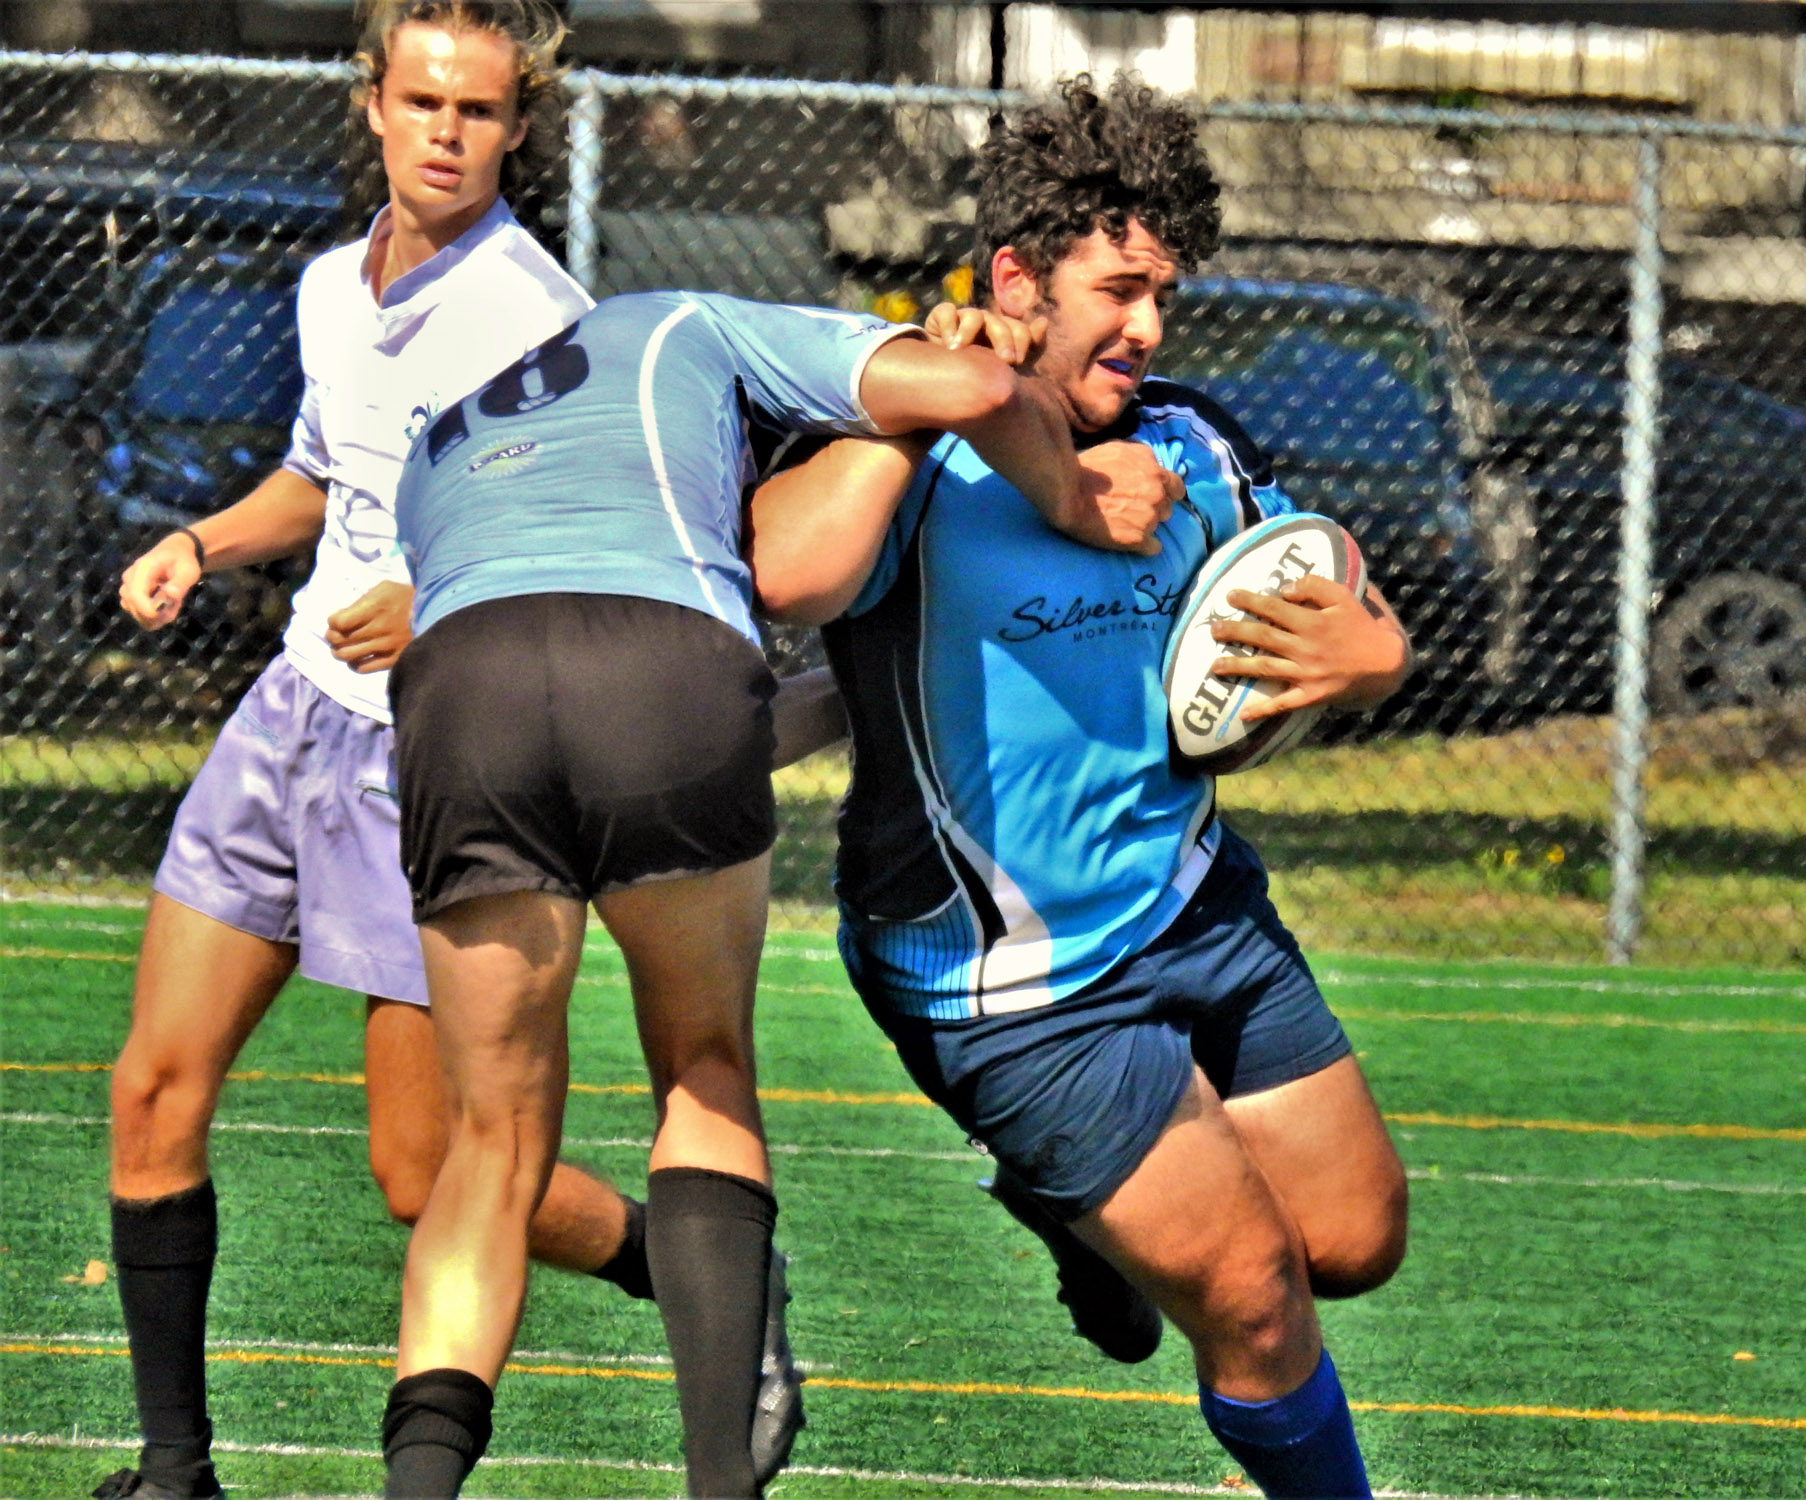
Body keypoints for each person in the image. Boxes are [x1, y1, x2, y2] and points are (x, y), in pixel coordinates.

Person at [87, 6, 772, 1497]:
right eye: (422, 101)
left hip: (432, 748)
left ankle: (690, 1266)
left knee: (427, 1170)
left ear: (520, 127)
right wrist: (203, 541)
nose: (446, 131)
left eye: (476, 109)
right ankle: (175, 1469)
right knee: (152, 1088)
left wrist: (441, 592)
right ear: (374, 106)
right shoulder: (330, 283)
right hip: (288, 715)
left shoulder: (536, 311)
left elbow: (587, 528)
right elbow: (317, 475)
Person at [377, 287, 1177, 1499]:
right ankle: (718, 1482)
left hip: (456, 690)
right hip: (663, 666)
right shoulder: (682, 320)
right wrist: (1068, 492)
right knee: (702, 1072)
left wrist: (832, 701)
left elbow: (579, 675)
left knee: (489, 1144)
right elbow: (968, 388)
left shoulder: (439, 444)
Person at [746, 75, 1412, 1499]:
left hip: (1197, 903)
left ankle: (1075, 1216)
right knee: (1252, 1296)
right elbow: (788, 573)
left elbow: (1329, 595)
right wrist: (929, 393)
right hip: (1007, 981)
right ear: (1014, 284)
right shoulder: (913, 459)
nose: (1150, 327)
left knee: (1353, 1241)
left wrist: (1371, 658)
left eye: (1164, 293)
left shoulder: (1190, 440)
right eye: (1119, 291)